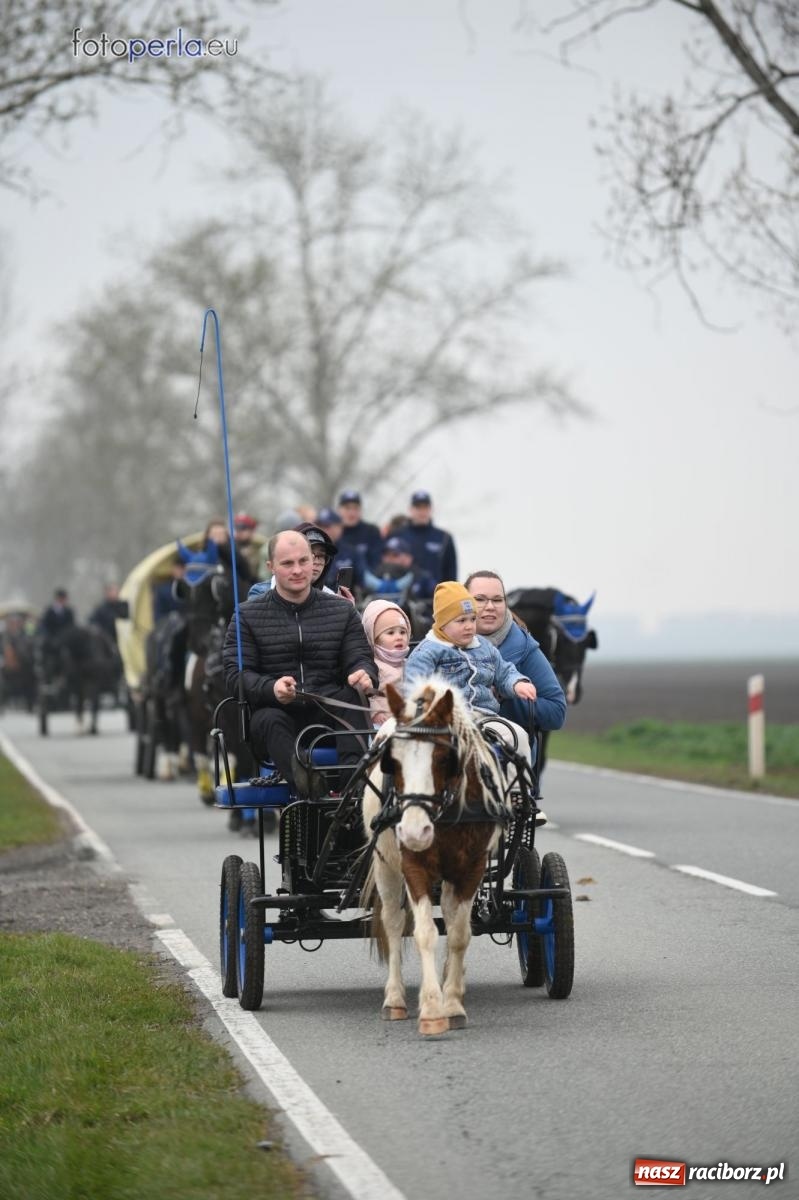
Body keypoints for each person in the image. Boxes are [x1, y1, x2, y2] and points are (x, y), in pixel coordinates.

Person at [223, 529, 377, 799]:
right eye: (287, 564)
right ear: (271, 567)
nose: (298, 570)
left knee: (353, 694)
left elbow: (360, 656)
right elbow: (236, 675)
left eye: (304, 561)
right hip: (276, 714)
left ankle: (352, 792)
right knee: (269, 718)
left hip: (328, 708)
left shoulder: (342, 610)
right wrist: (272, 689)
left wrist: (363, 673)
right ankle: (309, 788)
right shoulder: (246, 615)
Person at [404, 581, 544, 819]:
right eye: (461, 621)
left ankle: (519, 796)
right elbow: (413, 688)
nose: (469, 627)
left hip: (483, 716)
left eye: (472, 619)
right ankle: (439, 798)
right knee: (444, 749)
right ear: (442, 624)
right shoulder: (428, 652)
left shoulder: (485, 649)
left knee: (517, 734)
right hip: (446, 719)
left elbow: (505, 672)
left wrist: (518, 683)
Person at [465, 570, 566, 736]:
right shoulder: (441, 644)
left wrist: (504, 698)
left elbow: (557, 712)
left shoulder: (525, 649)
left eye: (497, 600)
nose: (490, 607)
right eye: (480, 599)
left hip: (507, 752)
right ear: (463, 603)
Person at [361, 599, 411, 726]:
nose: (399, 637)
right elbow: (366, 693)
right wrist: (375, 712)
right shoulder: (372, 666)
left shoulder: (410, 663)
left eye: (403, 632)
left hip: (407, 724)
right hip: (382, 725)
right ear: (374, 638)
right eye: (390, 633)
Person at [402, 490, 457, 584]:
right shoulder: (398, 534)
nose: (422, 511)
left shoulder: (444, 538)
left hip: (434, 595)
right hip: (401, 595)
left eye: (425, 507)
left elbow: (451, 573)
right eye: (418, 507)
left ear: (431, 509)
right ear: (410, 509)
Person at [336, 490, 384, 572]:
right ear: (339, 510)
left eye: (355, 508)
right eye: (347, 508)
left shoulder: (371, 531)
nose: (352, 513)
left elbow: (377, 562)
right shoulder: (334, 532)